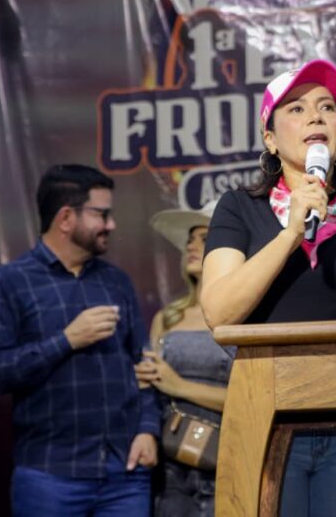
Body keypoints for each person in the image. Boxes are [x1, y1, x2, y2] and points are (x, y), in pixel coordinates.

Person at [201, 59, 336, 517]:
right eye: (296, 109)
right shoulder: (238, 209)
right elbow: (219, 313)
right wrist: (290, 234)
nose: (316, 116)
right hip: (267, 417)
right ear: (269, 138)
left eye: (327, 107)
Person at [0, 164, 160, 516]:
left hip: (125, 473)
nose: (111, 225)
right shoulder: (9, 282)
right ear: (65, 218)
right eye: (101, 214)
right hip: (49, 475)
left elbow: (145, 366)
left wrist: (148, 430)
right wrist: (67, 340)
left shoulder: (116, 282)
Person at [134, 199, 231, 517]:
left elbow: (255, 399)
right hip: (170, 471)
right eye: (190, 240)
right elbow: (150, 392)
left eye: (204, 238)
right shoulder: (168, 317)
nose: (191, 246)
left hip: (228, 463)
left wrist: (180, 386)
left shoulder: (246, 317)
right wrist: (142, 380)